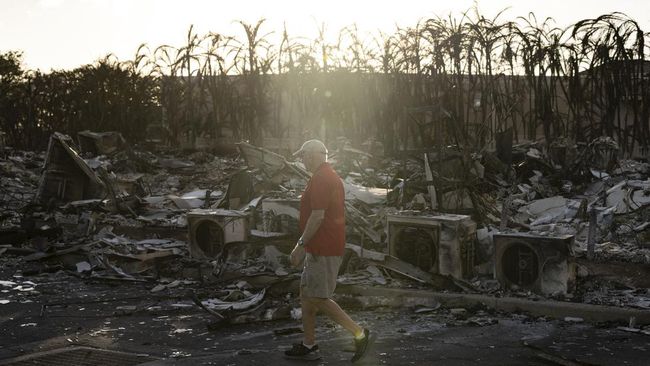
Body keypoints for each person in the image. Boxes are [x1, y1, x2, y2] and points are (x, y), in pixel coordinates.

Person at [284, 139, 371, 362]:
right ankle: (309, 344)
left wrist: (300, 246)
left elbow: (317, 215)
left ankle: (359, 333)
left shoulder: (323, 178)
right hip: (320, 247)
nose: (301, 160)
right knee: (307, 295)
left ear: (313, 155)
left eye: (303, 156)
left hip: (323, 248)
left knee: (319, 297)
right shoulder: (324, 175)